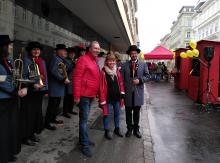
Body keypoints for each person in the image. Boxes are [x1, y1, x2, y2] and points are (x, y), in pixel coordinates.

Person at [0, 35, 27, 162]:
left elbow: (15, 77)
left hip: (12, 99)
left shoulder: (9, 60)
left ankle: (9, 152)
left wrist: (23, 84)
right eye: (8, 45)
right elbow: (1, 80)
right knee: (3, 129)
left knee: (11, 127)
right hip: (3, 100)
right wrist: (15, 91)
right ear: (2, 47)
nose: (11, 47)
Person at [73, 41, 101, 157]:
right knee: (84, 121)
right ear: (90, 49)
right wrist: (76, 96)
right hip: (84, 95)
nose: (97, 50)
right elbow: (77, 77)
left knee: (84, 119)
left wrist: (97, 93)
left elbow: (96, 78)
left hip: (90, 95)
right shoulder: (83, 59)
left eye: (98, 48)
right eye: (95, 48)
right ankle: (84, 144)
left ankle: (82, 139)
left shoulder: (95, 61)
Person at [20, 41, 48, 145]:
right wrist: (32, 85)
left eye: (38, 50)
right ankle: (25, 137)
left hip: (39, 92)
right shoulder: (26, 61)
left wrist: (45, 89)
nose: (36, 51)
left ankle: (32, 134)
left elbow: (45, 76)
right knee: (28, 115)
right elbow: (23, 77)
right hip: (29, 92)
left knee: (36, 114)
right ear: (30, 51)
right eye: (34, 49)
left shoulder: (42, 61)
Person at [121, 45, 149, 138]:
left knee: (136, 113)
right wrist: (122, 91)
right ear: (129, 54)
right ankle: (129, 129)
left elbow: (147, 76)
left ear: (137, 54)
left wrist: (140, 80)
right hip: (128, 93)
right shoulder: (124, 65)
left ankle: (136, 129)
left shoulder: (143, 64)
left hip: (138, 93)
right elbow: (121, 79)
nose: (133, 55)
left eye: (135, 53)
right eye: (132, 53)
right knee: (128, 113)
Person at [99, 53, 125, 140]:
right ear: (106, 61)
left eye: (113, 60)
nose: (112, 62)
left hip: (117, 98)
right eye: (110, 60)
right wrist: (102, 100)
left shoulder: (117, 71)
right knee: (107, 115)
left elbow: (121, 83)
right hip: (108, 99)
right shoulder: (103, 72)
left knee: (117, 114)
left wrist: (122, 93)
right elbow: (101, 87)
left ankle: (116, 129)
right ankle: (106, 131)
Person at [45, 44, 70, 130]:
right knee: (52, 106)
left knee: (56, 105)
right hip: (55, 87)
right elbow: (53, 71)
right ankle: (47, 123)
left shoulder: (61, 59)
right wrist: (63, 79)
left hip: (59, 87)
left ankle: (53, 119)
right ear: (58, 51)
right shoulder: (56, 59)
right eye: (63, 50)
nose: (65, 52)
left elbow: (61, 71)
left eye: (65, 50)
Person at [62, 47, 77, 118]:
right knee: (67, 97)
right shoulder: (66, 60)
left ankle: (70, 110)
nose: (72, 55)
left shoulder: (73, 60)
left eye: (73, 54)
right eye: (71, 54)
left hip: (73, 81)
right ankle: (65, 112)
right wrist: (73, 64)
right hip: (68, 81)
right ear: (68, 54)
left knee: (72, 97)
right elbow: (65, 70)